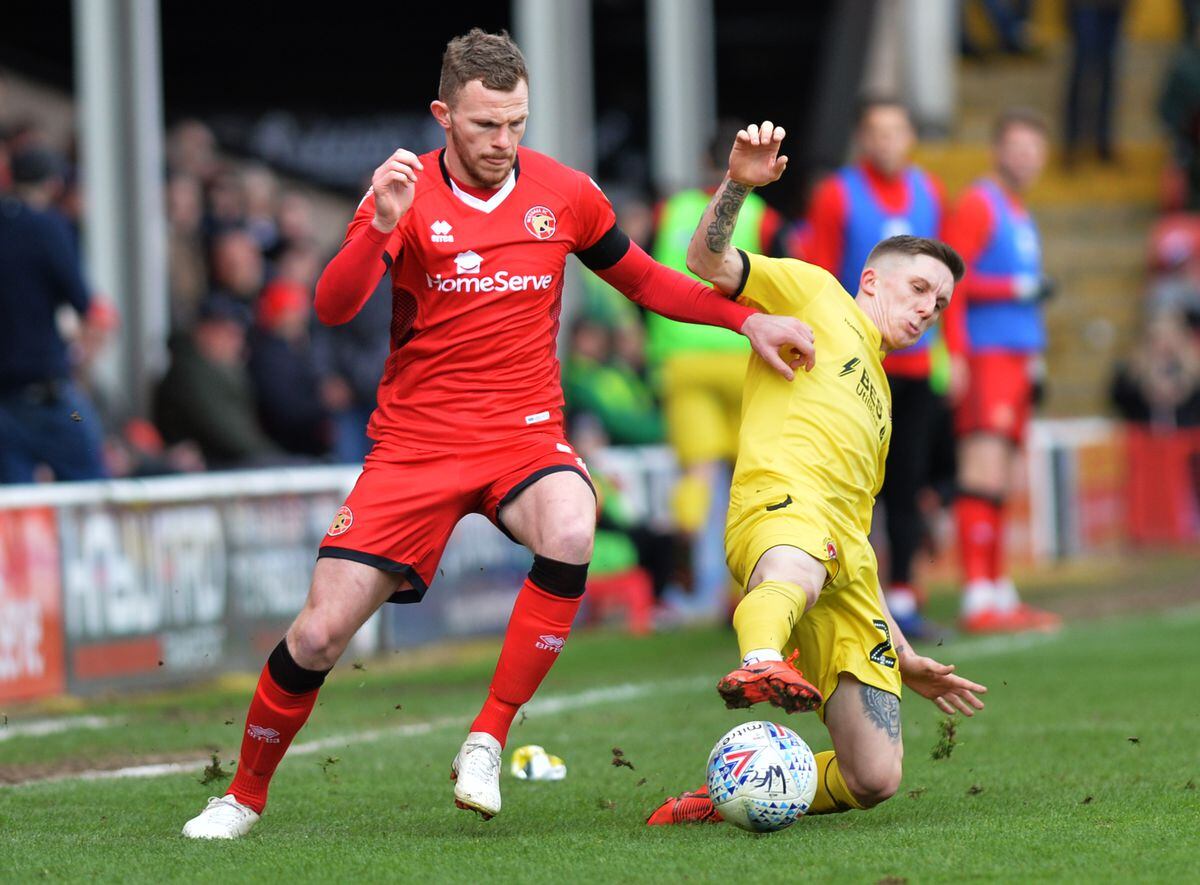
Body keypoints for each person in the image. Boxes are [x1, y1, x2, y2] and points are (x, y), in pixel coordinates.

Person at [181, 29, 813, 840]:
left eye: (516, 122)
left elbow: (647, 280)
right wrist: (378, 224)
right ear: (444, 115)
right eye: (485, 125)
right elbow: (332, 307)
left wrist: (747, 318)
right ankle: (242, 795)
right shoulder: (402, 194)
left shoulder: (565, 192)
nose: (503, 141)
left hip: (523, 434)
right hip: (415, 445)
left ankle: (488, 734)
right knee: (319, 630)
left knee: (574, 523)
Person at [647, 122, 985, 826]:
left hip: (844, 560)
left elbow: (855, 539)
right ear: (871, 279)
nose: (928, 308)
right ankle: (762, 654)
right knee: (799, 564)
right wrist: (739, 184)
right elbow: (704, 260)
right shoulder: (814, 292)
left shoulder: (884, 405)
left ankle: (729, 794)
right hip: (781, 507)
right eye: (920, 287)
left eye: (941, 303)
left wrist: (906, 649)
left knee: (875, 775)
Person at [804, 98, 958, 638]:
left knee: (908, 481)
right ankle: (833, 593)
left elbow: (943, 285)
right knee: (852, 481)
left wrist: (951, 352)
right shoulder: (836, 194)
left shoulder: (930, 192)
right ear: (863, 139)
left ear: (911, 137)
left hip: (914, 367)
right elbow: (818, 271)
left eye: (897, 131)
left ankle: (906, 595)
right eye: (877, 132)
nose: (887, 142)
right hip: (853, 360)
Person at [941, 109, 1060, 633]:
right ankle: (976, 595)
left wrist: (1036, 359)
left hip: (1016, 359)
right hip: (986, 357)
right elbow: (952, 279)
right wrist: (958, 355)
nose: (1027, 159)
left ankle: (999, 589)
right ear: (997, 151)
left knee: (1006, 475)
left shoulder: (1019, 210)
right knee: (981, 470)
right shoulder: (979, 203)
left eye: (1035, 149)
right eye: (1017, 148)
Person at [0, 145, 108, 483]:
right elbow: (86, 305)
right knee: (90, 472)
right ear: (53, 185)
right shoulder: (49, 228)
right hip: (53, 398)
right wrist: (82, 356)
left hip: (4, 403)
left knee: (15, 501)